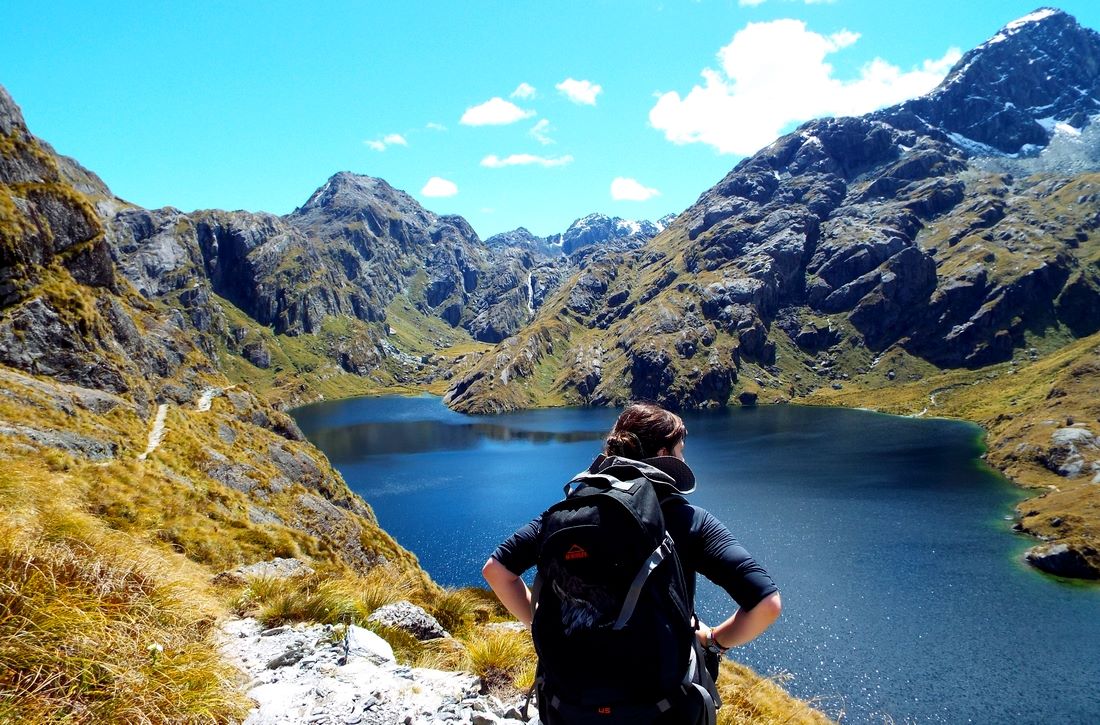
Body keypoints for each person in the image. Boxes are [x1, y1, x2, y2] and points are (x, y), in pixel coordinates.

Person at [483, 402, 781, 722]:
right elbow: (767, 604)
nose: (684, 458)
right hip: (659, 711)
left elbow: (497, 571)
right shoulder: (687, 520)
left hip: (570, 708)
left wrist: (545, 627)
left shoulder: (570, 515)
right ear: (665, 453)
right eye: (681, 450)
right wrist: (715, 641)